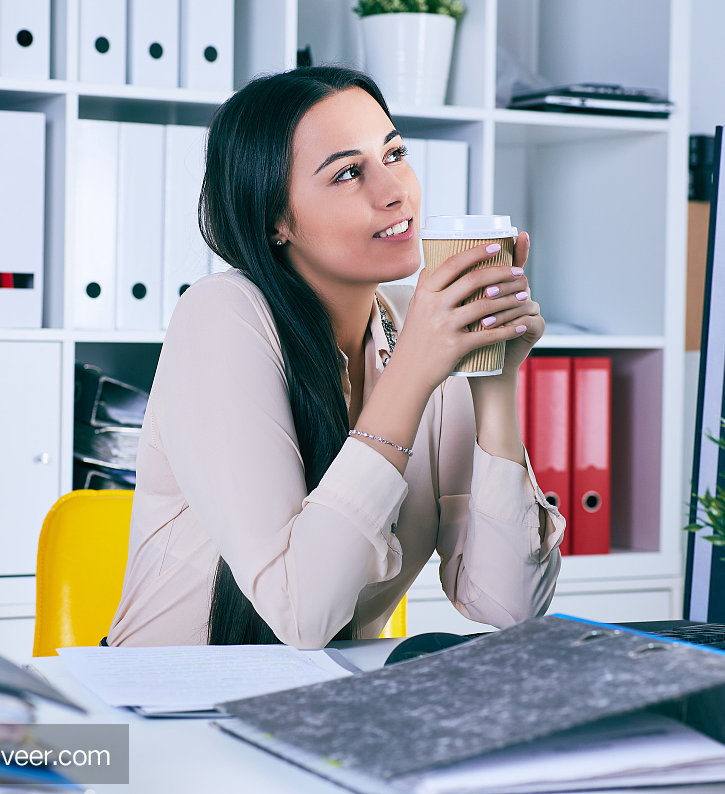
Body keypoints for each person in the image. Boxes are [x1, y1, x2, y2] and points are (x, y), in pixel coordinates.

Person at [107, 66, 564, 648]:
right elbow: (302, 614)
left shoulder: (421, 323)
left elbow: (510, 604)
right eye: (348, 173)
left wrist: (493, 379)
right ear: (275, 218)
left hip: (324, 695)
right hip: (170, 693)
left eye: (394, 154)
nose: (394, 191)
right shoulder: (222, 314)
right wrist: (415, 370)